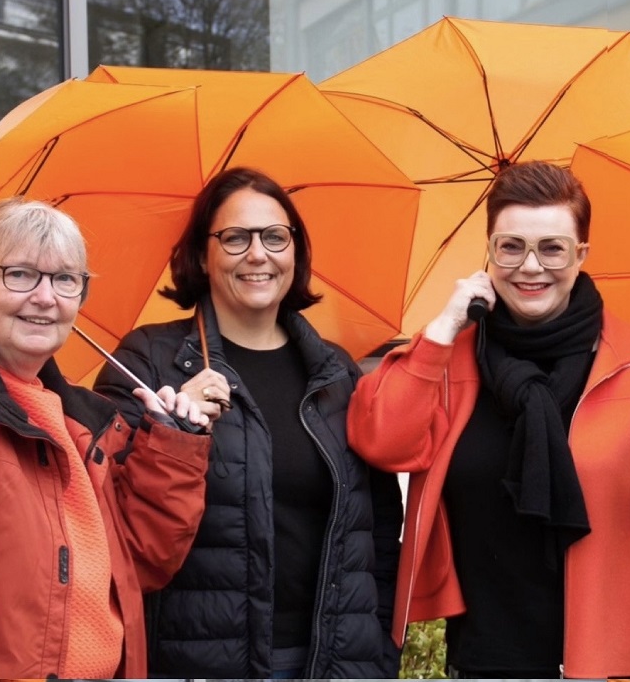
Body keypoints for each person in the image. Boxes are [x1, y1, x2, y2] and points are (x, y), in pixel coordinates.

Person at [347, 160, 630, 679]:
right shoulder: (452, 355)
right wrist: (442, 328)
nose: (531, 266)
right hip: (491, 655)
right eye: (511, 247)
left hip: (623, 658)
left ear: (582, 255)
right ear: (488, 251)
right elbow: (382, 441)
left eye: (552, 247)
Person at [93, 167, 403, 678]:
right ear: (201, 254)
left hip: (332, 662)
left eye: (275, 237)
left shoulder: (336, 372)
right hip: (200, 662)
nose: (258, 254)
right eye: (235, 238)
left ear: (296, 251)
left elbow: (378, 526)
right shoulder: (151, 362)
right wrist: (170, 433)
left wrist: (377, 645)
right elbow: (106, 517)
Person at [0, 199, 211, 678]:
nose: (45, 297)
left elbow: (142, 563)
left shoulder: (75, 418)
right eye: (20, 274)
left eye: (65, 280)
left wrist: (172, 442)